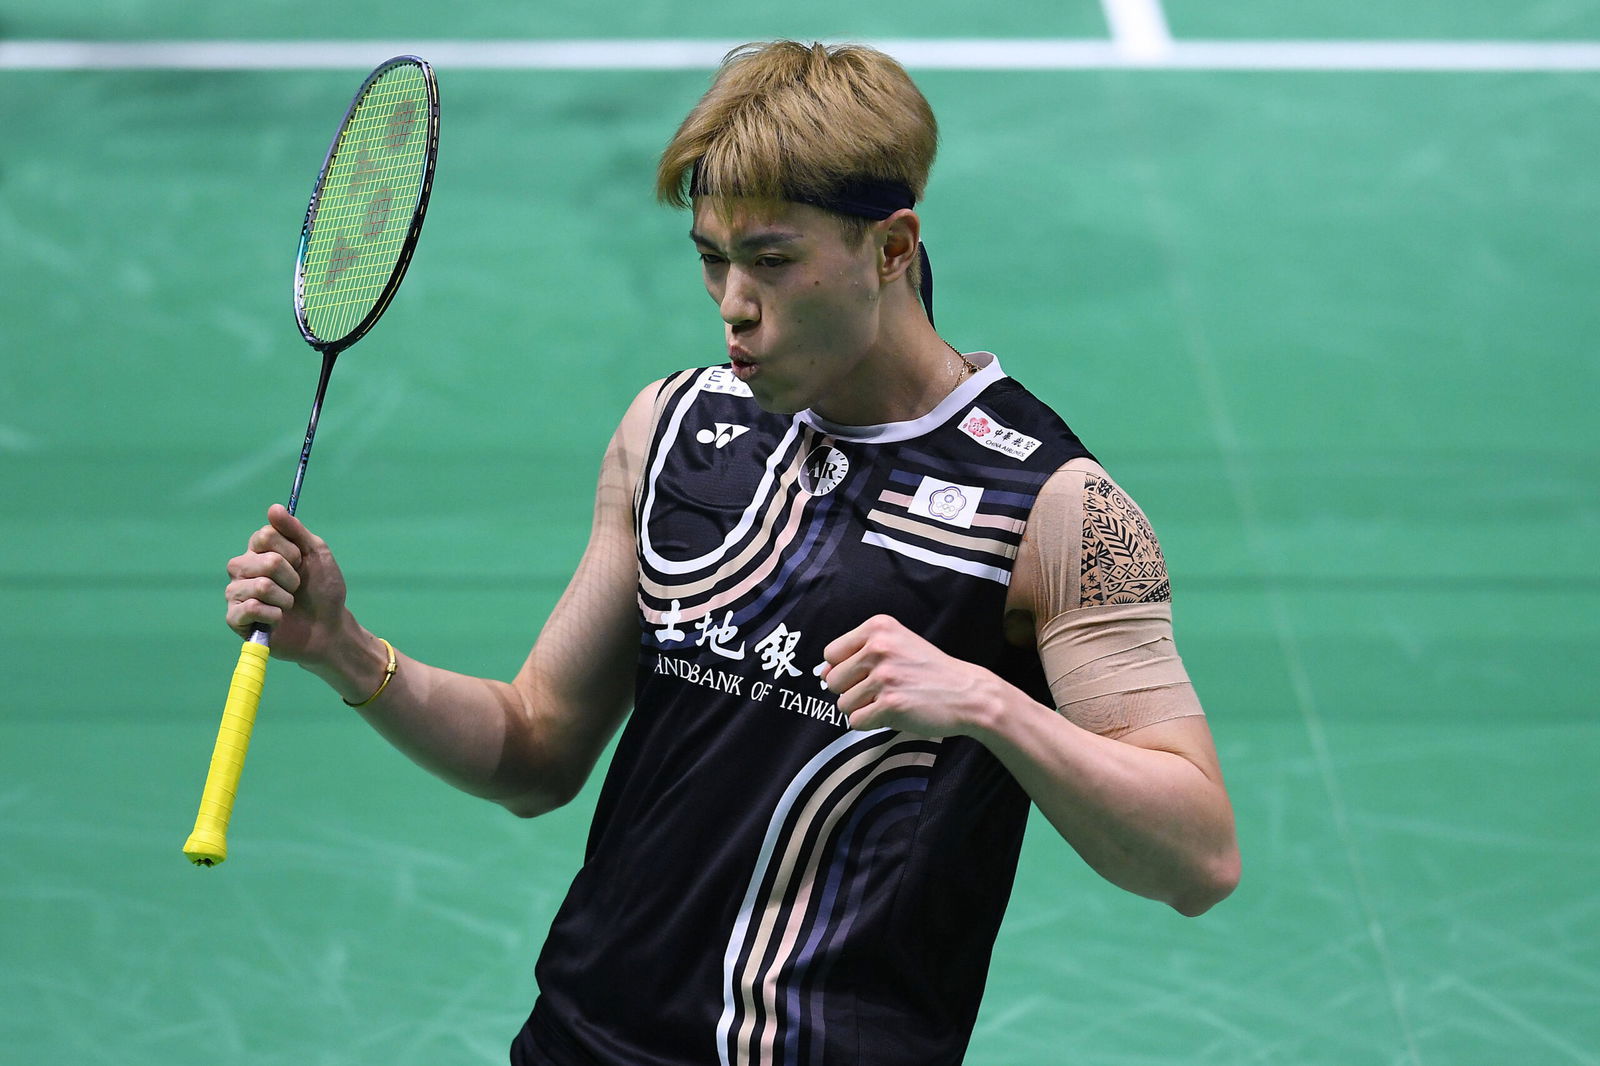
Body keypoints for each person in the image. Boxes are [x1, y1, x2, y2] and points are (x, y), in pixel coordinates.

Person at [224, 40, 1239, 1066]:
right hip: (579, 1045)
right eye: (712, 257)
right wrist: (345, 650)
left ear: (892, 248)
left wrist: (991, 704)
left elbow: (1197, 856)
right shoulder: (670, 432)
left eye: (772, 260)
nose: (732, 303)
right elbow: (534, 748)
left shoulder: (1054, 508)